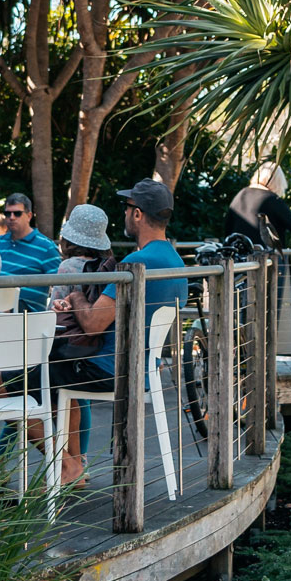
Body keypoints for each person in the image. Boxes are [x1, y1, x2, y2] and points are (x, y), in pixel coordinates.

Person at [58, 180, 187, 477]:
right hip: (142, 369)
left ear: (138, 214)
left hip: (109, 369)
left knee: (16, 381)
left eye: (126, 208)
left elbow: (92, 324)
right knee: (59, 382)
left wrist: (76, 295)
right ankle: (72, 467)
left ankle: (70, 465)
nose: (124, 215)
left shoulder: (137, 262)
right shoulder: (175, 261)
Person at [46, 204, 114, 484]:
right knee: (74, 399)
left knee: (38, 390)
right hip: (95, 350)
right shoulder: (106, 267)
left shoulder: (68, 267)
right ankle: (78, 464)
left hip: (69, 351)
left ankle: (69, 466)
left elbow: (53, 312)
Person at [0, 193, 60, 312]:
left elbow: (61, 285)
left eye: (17, 213)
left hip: (28, 318)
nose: (11, 217)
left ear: (29, 216)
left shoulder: (46, 247)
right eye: (7, 213)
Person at [224, 162, 291, 248]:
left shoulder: (241, 194)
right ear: (278, 181)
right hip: (267, 257)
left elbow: (228, 225)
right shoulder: (272, 199)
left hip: (239, 255)